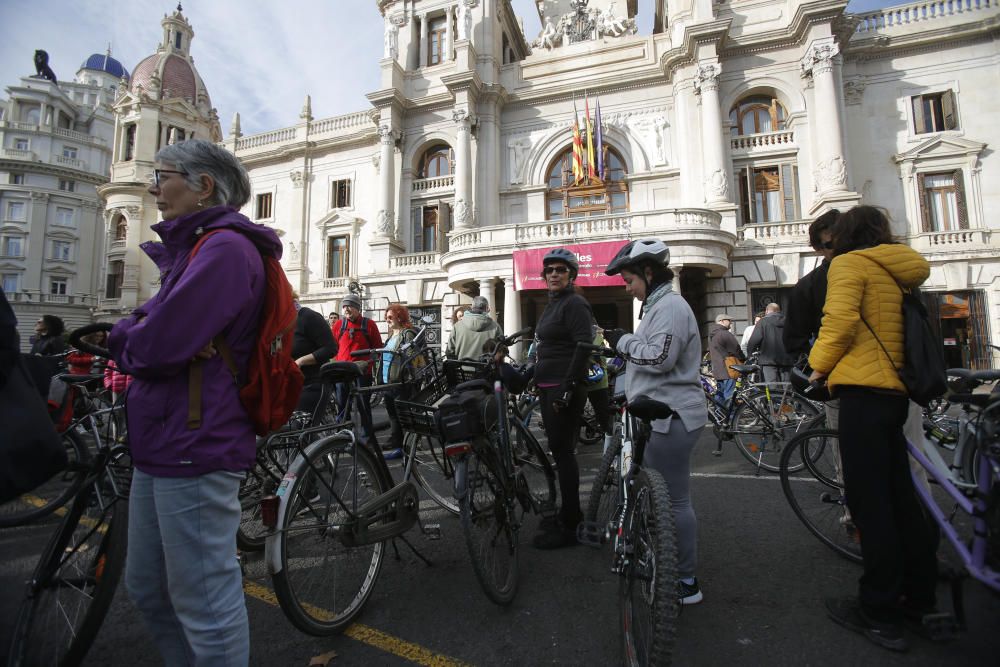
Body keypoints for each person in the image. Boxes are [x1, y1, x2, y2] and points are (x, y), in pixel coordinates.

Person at [107, 138, 275, 666]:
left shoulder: (224, 249)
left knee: (203, 598)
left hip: (196, 442)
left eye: (164, 176)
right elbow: (158, 333)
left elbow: (155, 343)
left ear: (204, 185)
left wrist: (124, 330)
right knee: (150, 588)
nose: (155, 189)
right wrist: (146, 328)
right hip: (164, 438)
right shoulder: (197, 249)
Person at [807, 205, 938, 652]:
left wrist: (815, 369)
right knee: (902, 499)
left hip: (863, 393)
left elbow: (839, 323)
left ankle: (879, 610)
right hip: (896, 394)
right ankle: (917, 599)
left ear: (844, 235)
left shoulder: (848, 265)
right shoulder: (896, 269)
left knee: (870, 505)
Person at [603, 238, 707, 605]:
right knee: (666, 497)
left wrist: (623, 342)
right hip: (661, 412)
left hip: (672, 416)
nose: (626, 287)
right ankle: (665, 556)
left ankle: (685, 582)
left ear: (649, 272)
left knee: (676, 501)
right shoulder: (657, 306)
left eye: (629, 279)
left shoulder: (672, 307)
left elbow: (660, 357)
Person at [531, 248, 594, 549]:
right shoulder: (553, 303)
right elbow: (548, 346)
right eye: (549, 270)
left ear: (571, 275)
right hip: (548, 383)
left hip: (563, 387)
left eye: (560, 269)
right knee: (558, 449)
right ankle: (566, 513)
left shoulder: (575, 303)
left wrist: (568, 387)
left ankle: (571, 525)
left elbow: (584, 346)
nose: (554, 274)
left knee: (564, 452)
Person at [374, 303, 422, 451]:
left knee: (404, 413)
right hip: (389, 381)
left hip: (402, 381)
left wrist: (409, 378)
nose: (387, 320)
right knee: (393, 413)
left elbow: (413, 357)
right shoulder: (390, 337)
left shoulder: (407, 333)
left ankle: (411, 442)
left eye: (390, 317)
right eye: (386, 317)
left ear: (399, 317)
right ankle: (396, 439)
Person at [333, 293, 383, 417]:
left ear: (358, 308)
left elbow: (378, 350)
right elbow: (332, 348)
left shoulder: (369, 324)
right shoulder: (339, 325)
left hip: (362, 374)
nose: (346, 309)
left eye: (349, 306)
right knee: (342, 407)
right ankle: (343, 434)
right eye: (344, 307)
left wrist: (368, 365)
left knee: (364, 407)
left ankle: (367, 436)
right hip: (342, 373)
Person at [291, 294, 338, 423]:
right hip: (291, 384)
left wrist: (301, 361)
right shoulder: (281, 321)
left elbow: (330, 348)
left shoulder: (307, 316)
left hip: (313, 384)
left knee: (302, 431)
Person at [746, 303, 797, 382]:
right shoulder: (789, 322)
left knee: (772, 387)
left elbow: (754, 341)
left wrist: (750, 355)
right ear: (779, 311)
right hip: (787, 360)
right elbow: (795, 339)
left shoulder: (763, 322)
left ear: (767, 311)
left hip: (768, 360)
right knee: (787, 387)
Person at [446, 295, 502, 361]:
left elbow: (449, 352)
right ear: (487, 308)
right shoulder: (495, 327)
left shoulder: (457, 326)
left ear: (472, 307)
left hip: (462, 369)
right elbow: (501, 351)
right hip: (486, 369)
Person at [707, 313, 744, 402]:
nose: (731, 323)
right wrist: (743, 359)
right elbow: (736, 349)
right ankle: (731, 416)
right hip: (728, 369)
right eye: (729, 321)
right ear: (722, 321)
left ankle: (718, 414)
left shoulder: (712, 335)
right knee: (729, 396)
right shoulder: (725, 334)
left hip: (718, 370)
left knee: (720, 395)